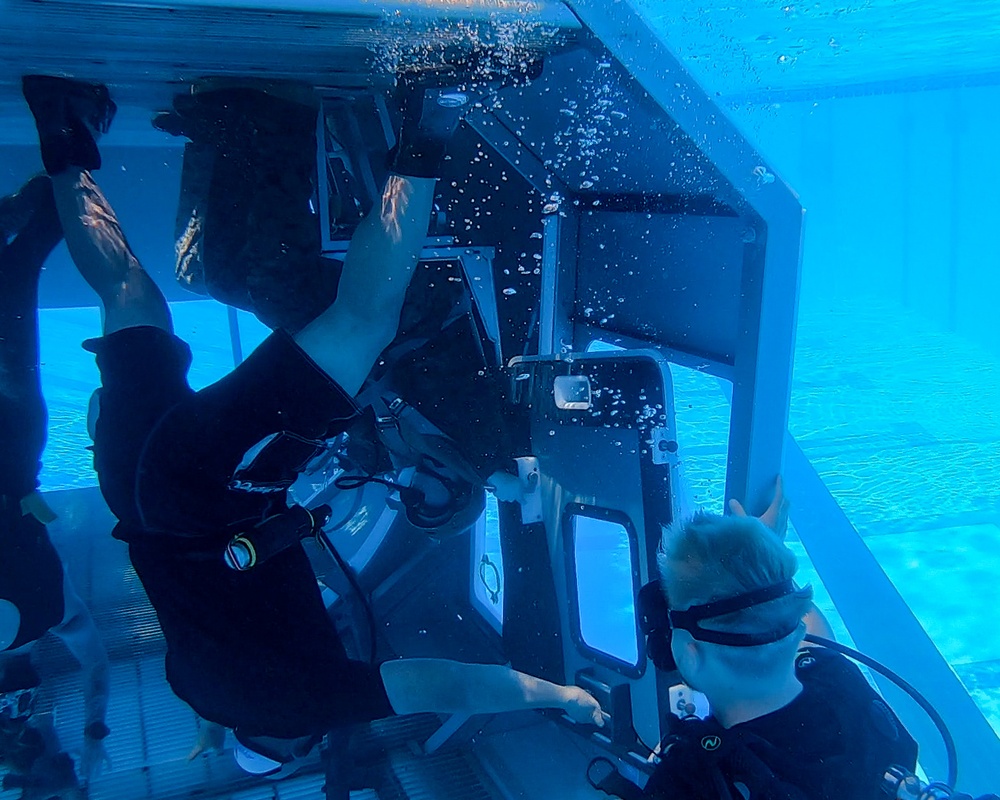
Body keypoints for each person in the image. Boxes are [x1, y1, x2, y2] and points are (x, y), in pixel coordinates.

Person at [19, 73, 603, 769]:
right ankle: (61, 121)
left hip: (209, 489)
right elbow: (214, 666)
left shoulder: (305, 706)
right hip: (132, 486)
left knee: (363, 319)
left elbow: (447, 684)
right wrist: (213, 727)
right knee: (127, 294)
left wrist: (560, 698)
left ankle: (432, 118)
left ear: (297, 742)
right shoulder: (199, 691)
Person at [639, 506, 918, 799]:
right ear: (796, 630)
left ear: (690, 655)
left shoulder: (688, 781)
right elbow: (810, 632)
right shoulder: (839, 680)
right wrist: (759, 554)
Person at [1, 175, 111, 793]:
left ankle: (46, 210)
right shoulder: (51, 616)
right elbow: (95, 670)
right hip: (18, 452)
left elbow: (97, 671)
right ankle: (44, 210)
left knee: (14, 311)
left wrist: (94, 736)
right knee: (12, 305)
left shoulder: (52, 615)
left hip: (20, 448)